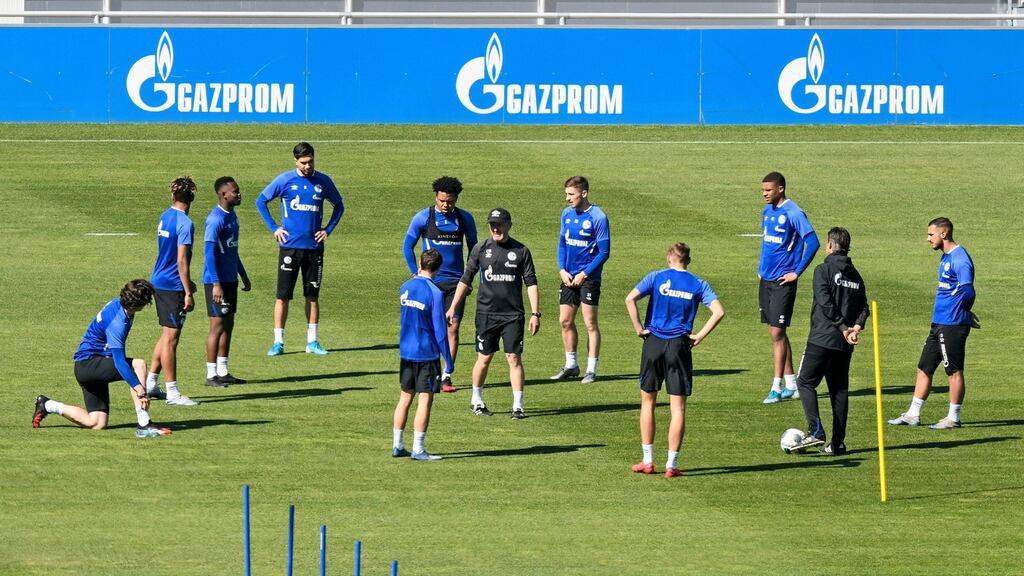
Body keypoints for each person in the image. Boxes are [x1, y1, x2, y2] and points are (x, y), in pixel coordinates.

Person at [625, 243, 724, 478]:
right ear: (688, 261)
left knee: (647, 402)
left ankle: (648, 460)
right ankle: (671, 465)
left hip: (654, 342)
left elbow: (630, 299)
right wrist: (699, 336)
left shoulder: (657, 277)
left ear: (670, 258)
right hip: (679, 345)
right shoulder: (698, 283)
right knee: (677, 408)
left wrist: (639, 328)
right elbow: (719, 311)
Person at [32, 279, 171, 438]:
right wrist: (140, 389)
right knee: (138, 365)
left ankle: (48, 405)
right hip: (89, 365)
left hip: (90, 365)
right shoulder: (118, 322)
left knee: (97, 423)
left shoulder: (119, 303)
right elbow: (119, 363)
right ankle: (144, 423)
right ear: (138, 305)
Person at [447, 208, 540, 419]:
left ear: (509, 225)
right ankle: (476, 399)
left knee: (513, 357)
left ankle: (518, 405)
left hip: (513, 315)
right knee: (484, 357)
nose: (495, 228)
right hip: (486, 314)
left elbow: (531, 283)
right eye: (492, 225)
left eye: (499, 224)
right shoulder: (481, 249)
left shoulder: (521, 251)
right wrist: (453, 307)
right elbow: (465, 279)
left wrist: (536, 313)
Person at [256, 142, 345, 356]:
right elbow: (261, 200)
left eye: (310, 161)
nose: (307, 166)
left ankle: (312, 342)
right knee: (282, 296)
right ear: (295, 161)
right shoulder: (285, 180)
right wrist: (274, 228)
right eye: (303, 162)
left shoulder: (323, 181)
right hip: (289, 248)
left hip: (314, 248)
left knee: (312, 296)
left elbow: (339, 205)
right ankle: (278, 342)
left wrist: (328, 230)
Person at [889, 217, 978, 430]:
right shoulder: (947, 257)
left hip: (952, 324)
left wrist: (963, 313)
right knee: (924, 367)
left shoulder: (960, 259)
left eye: (931, 234)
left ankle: (953, 417)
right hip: (939, 323)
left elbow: (968, 291)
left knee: (953, 371)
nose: (928, 239)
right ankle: (913, 414)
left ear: (943, 234)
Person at [787, 228, 869, 456]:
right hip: (845, 345)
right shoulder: (855, 275)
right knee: (839, 391)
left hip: (822, 338)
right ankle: (838, 443)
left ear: (830, 246)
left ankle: (816, 431)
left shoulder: (822, 270)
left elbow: (825, 303)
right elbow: (864, 308)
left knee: (804, 382)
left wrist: (843, 328)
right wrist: (856, 328)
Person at [402, 176, 478, 393]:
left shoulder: (465, 219)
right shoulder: (424, 217)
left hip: (456, 283)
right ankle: (427, 371)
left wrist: (470, 279)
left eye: (450, 201)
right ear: (436, 197)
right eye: (442, 201)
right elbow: (407, 246)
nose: (445, 205)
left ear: (456, 199)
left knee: (452, 327)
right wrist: (414, 273)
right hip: (430, 283)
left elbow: (474, 254)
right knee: (428, 328)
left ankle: (446, 376)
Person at [758, 171, 819, 404]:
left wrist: (797, 272)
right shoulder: (767, 211)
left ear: (781, 189)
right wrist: (761, 267)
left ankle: (776, 386)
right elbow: (767, 243)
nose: (764, 194)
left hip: (783, 281)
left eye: (768, 190)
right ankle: (792, 384)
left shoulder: (794, 212)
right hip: (766, 279)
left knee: (776, 332)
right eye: (763, 190)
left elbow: (812, 242)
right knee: (778, 333)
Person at [393, 249, 455, 461]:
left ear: (420, 263)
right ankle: (418, 449)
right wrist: (448, 360)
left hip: (406, 352)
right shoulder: (436, 293)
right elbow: (440, 331)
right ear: (438, 268)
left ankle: (397, 445)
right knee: (425, 400)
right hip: (426, 354)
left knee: (404, 398)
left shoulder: (405, 287)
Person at [145, 176, 200, 406]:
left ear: (173, 196)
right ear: (192, 198)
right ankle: (173, 392)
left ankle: (150, 383)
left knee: (166, 335)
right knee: (171, 339)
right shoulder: (185, 224)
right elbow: (181, 262)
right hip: (173, 285)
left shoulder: (165, 216)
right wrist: (188, 290)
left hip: (159, 280)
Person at [551, 176, 610, 384]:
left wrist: (584, 274)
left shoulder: (598, 217)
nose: (567, 198)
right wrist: (561, 269)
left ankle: (591, 369)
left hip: (588, 278)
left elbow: (604, 253)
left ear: (583, 193)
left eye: (571, 194)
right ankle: (571, 365)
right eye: (566, 194)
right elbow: (562, 244)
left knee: (590, 323)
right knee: (565, 320)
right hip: (568, 276)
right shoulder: (566, 214)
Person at [202, 176, 252, 387]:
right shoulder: (216, 220)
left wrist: (243, 274)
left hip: (230, 279)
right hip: (217, 281)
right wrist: (216, 283)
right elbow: (209, 253)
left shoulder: (232, 216)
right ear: (223, 195)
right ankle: (211, 374)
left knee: (228, 323)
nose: (239, 194)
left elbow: (233, 250)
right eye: (235, 191)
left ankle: (223, 370)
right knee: (217, 325)